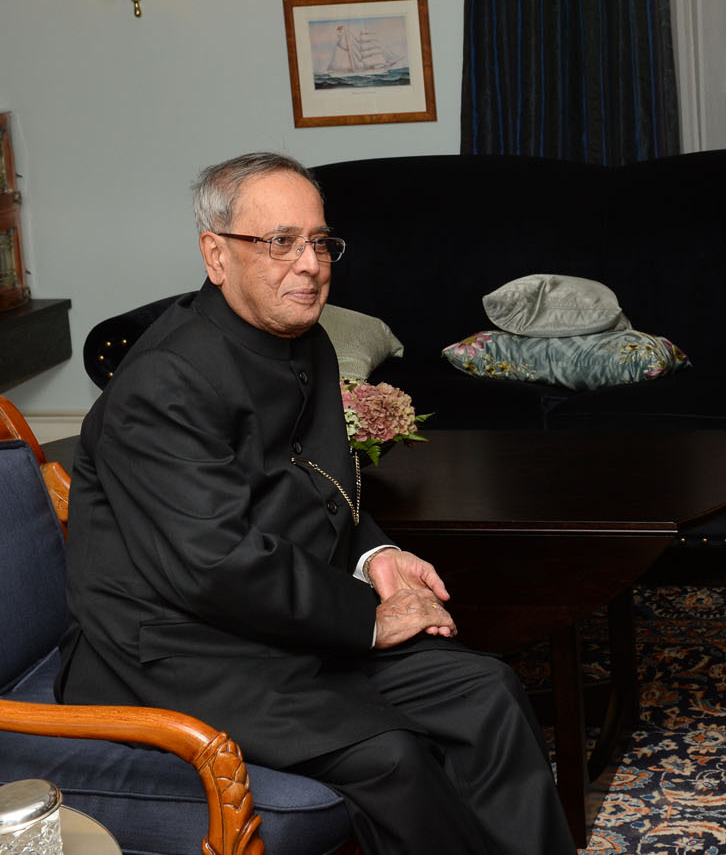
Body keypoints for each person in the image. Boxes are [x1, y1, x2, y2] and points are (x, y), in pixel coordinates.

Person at [57, 151, 577, 855]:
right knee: (392, 755)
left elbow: (316, 485)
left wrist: (378, 553)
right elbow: (215, 565)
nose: (310, 264)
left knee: (486, 693)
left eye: (319, 241)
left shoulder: (304, 337)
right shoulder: (164, 382)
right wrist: (372, 619)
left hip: (277, 621)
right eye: (280, 242)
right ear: (216, 254)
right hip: (176, 649)